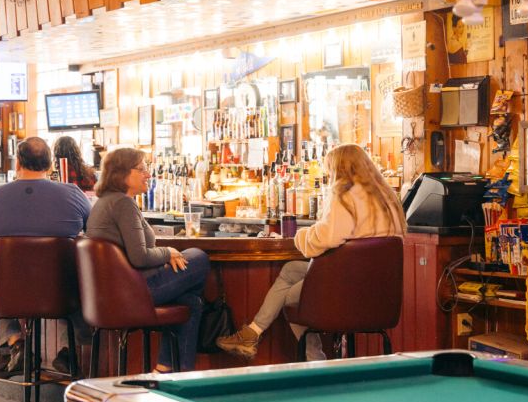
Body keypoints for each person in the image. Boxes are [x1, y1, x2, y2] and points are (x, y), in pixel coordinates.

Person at [216, 143, 406, 361]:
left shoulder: (345, 195)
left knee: (289, 298)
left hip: (346, 287)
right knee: (290, 270)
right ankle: (252, 334)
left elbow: (327, 237)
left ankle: (315, 358)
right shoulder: (389, 198)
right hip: (380, 291)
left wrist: (300, 236)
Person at [0, 136, 92, 375]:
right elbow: (93, 233)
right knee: (83, 282)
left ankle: (16, 341)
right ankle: (73, 349)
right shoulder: (74, 194)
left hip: (7, 291)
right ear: (51, 165)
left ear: (18, 163)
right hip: (62, 290)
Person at [86, 148, 206, 372]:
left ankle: (166, 370)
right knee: (198, 257)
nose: (148, 174)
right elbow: (139, 257)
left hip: (108, 295)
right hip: (130, 293)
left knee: (192, 302)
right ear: (122, 173)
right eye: (142, 169)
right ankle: (177, 375)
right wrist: (168, 253)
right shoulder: (123, 203)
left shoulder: (105, 202)